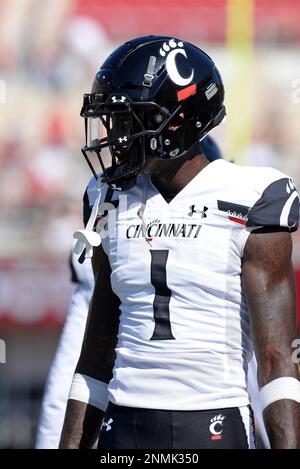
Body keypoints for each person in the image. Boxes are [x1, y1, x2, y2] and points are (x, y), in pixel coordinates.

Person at [59, 36, 300, 449]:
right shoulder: (108, 197)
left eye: (127, 120)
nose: (114, 138)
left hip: (213, 423)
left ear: (175, 123)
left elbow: (277, 362)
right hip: (124, 426)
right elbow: (96, 353)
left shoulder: (253, 196)